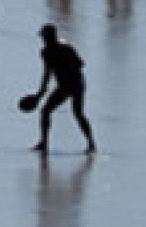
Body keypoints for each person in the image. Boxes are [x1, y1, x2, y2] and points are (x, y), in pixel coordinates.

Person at [27, 25, 96, 154]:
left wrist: (65, 70)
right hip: (63, 85)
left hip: (76, 84)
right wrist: (40, 94)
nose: (44, 39)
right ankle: (44, 143)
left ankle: (91, 143)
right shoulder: (45, 52)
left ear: (52, 36)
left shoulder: (66, 47)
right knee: (45, 111)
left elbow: (80, 64)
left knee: (78, 113)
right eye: (43, 37)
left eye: (45, 36)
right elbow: (47, 73)